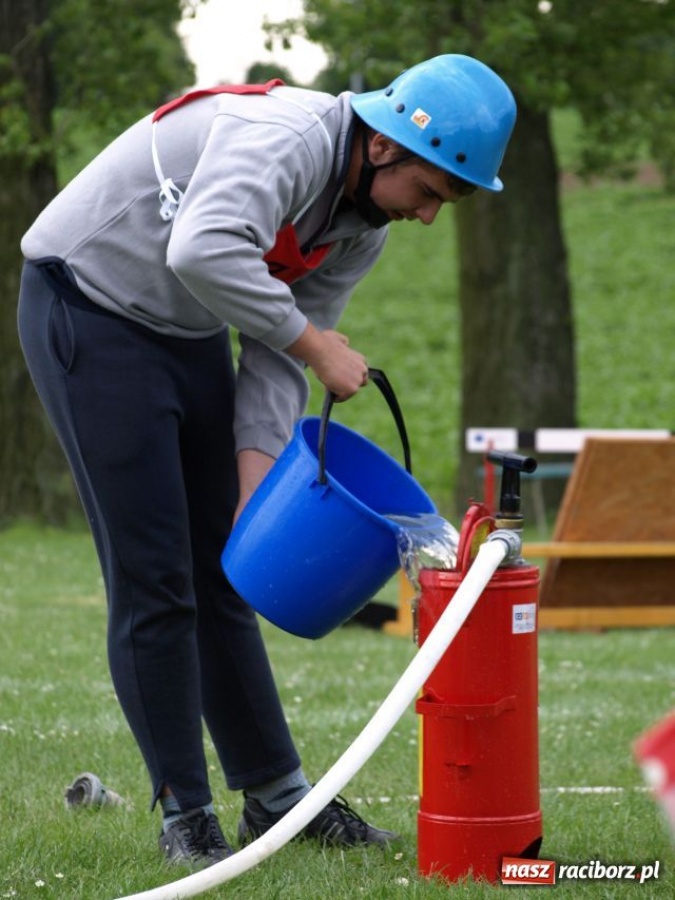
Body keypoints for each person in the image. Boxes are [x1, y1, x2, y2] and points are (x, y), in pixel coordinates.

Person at [18, 54, 516, 867]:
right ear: (386, 146)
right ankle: (185, 815)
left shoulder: (360, 230)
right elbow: (204, 249)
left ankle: (279, 798)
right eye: (431, 193)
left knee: (224, 570)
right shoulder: (284, 135)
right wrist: (320, 345)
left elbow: (277, 352)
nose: (429, 216)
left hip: (185, 332)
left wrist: (256, 492)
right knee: (155, 576)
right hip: (89, 306)